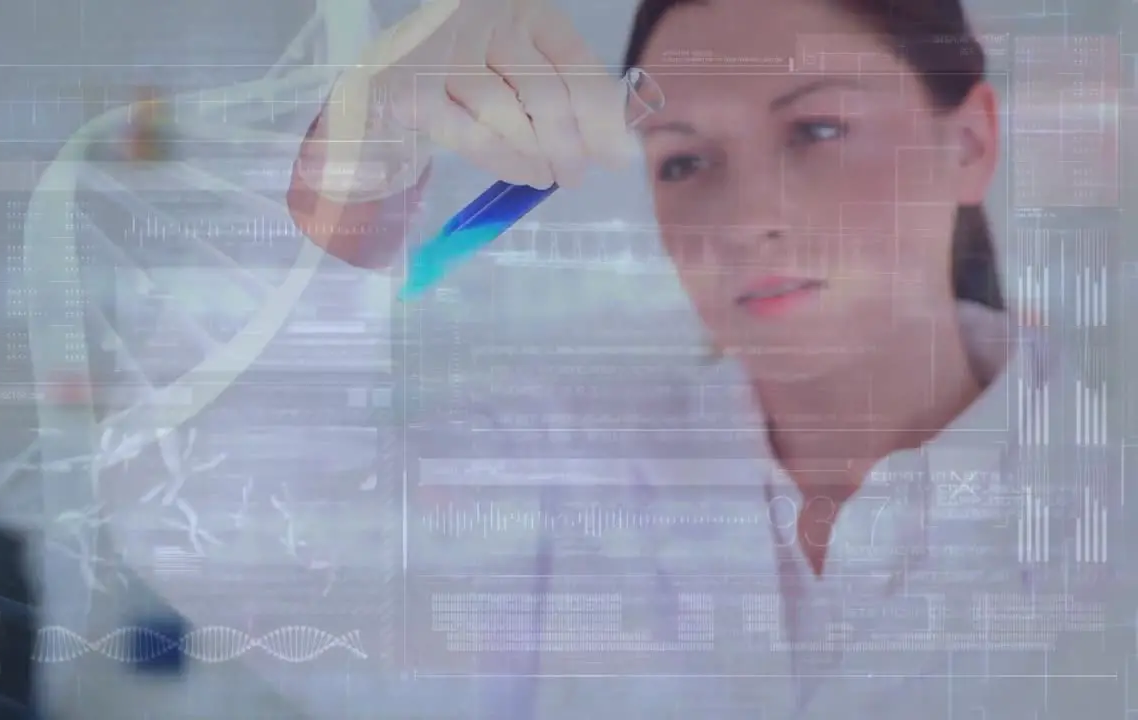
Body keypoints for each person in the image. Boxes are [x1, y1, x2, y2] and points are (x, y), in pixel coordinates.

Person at [282, 0, 1120, 717]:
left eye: (817, 128)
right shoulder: (561, 473)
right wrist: (362, 149)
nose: (744, 217)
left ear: (970, 142)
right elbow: (259, 545)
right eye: (683, 160)